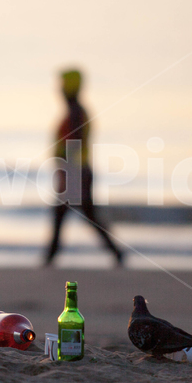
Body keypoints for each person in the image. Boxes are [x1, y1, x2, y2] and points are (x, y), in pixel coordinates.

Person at [44, 68, 124, 267]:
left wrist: (68, 173)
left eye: (62, 85)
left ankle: (50, 259)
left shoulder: (76, 113)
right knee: (83, 216)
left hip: (76, 171)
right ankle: (116, 253)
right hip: (78, 170)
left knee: (67, 215)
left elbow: (74, 144)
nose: (59, 90)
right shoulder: (76, 111)